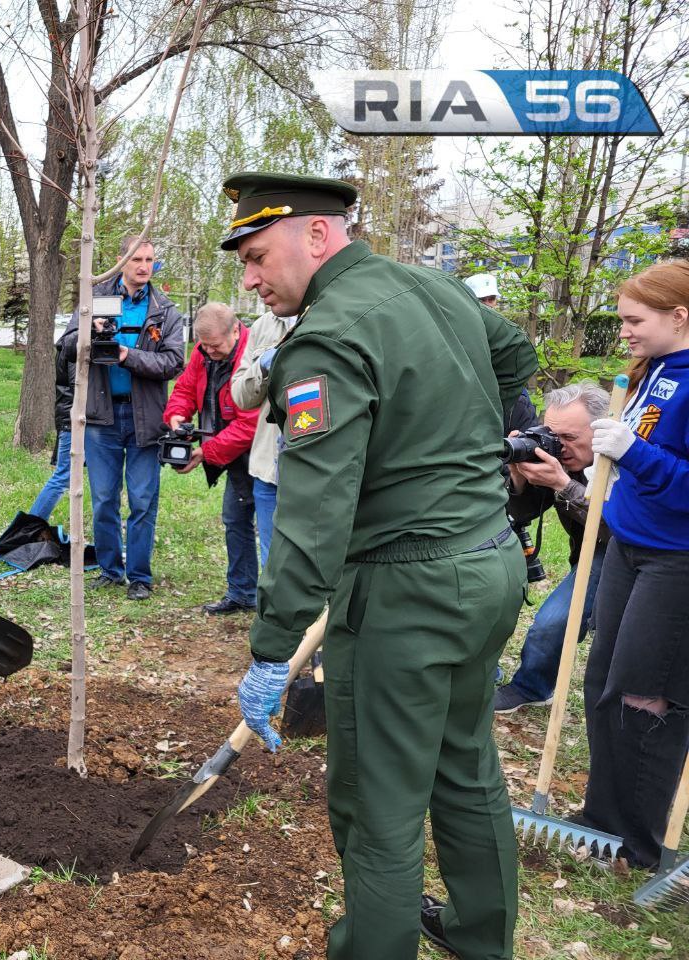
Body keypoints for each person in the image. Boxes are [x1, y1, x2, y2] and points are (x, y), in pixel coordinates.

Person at [224, 173, 537, 960]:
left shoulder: (326, 338)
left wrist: (273, 646)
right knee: (465, 767)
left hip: (406, 592)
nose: (251, 280)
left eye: (259, 257)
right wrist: (470, 440)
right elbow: (516, 353)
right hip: (489, 565)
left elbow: (313, 513)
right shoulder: (432, 290)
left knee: (377, 804)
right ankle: (480, 939)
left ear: (319, 236)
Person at [579, 259, 689, 869]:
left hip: (677, 559)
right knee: (603, 681)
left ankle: (639, 843)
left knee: (645, 697)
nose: (622, 330)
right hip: (628, 543)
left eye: (632, 320)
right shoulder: (655, 369)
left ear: (679, 317)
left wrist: (636, 455)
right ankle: (602, 818)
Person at [58, 236, 185, 600]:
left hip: (146, 417)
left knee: (143, 500)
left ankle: (140, 577)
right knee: (103, 498)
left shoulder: (165, 309)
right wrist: (88, 331)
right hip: (103, 416)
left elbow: (173, 363)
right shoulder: (96, 297)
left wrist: (128, 355)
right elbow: (65, 347)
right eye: (137, 259)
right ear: (121, 260)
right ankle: (111, 570)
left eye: (150, 260)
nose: (144, 266)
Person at [494, 383, 611, 714]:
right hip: (589, 550)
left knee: (556, 621)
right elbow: (522, 512)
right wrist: (518, 476)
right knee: (553, 622)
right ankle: (532, 688)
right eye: (553, 435)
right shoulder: (563, 459)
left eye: (570, 438)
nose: (560, 447)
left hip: (625, 550)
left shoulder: (622, 456)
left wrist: (563, 484)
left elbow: (616, 525)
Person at [163, 302, 261, 614]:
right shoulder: (204, 353)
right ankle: (243, 592)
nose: (209, 351)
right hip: (234, 455)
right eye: (203, 345)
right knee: (235, 519)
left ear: (235, 330)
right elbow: (186, 389)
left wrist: (206, 451)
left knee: (274, 527)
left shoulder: (253, 354)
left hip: (266, 454)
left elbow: (252, 423)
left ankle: (279, 606)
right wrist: (178, 417)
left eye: (215, 345)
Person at [230, 310, 289, 571]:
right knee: (271, 561)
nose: (252, 282)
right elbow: (240, 396)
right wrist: (263, 365)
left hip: (317, 471)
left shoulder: (335, 315)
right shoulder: (264, 324)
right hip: (268, 469)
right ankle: (272, 612)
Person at [27, 335, 79, 520]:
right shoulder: (75, 340)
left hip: (75, 416)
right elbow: (78, 384)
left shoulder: (71, 338)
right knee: (63, 476)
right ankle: (29, 528)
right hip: (73, 418)